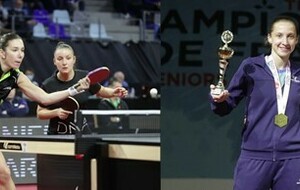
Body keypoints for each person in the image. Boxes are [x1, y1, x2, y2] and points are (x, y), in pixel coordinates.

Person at [209, 15, 300, 190]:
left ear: (297, 40)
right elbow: (225, 107)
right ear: (269, 38)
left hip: (293, 158)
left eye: (290, 36)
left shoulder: (298, 72)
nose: (285, 41)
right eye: (279, 35)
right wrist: (218, 100)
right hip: (255, 155)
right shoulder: (251, 67)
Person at [0, 33, 90, 190]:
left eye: (22, 50)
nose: (20, 54)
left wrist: (74, 90)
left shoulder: (16, 76)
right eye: (15, 49)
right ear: (2, 53)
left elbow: (45, 99)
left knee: (4, 174)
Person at [36, 42, 128, 135]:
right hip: (57, 135)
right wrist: (56, 112)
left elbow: (102, 91)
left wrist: (114, 92)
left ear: (74, 59)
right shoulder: (48, 84)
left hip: (82, 133)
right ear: (54, 61)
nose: (64, 62)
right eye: (60, 59)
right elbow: (40, 113)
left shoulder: (85, 78)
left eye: (68, 58)